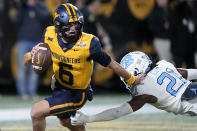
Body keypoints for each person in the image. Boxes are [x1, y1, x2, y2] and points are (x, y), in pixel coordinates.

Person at [23, 3, 145, 131]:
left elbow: (112, 64)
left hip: (77, 93)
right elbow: (26, 60)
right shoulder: (49, 34)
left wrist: (132, 80)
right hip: (59, 88)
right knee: (66, 122)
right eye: (68, 25)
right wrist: (32, 55)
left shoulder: (89, 43)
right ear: (58, 26)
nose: (73, 29)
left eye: (76, 24)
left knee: (36, 112)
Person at [70, 51, 197, 126]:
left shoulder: (142, 90)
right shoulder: (163, 64)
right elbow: (188, 73)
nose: (129, 81)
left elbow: (118, 111)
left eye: (129, 76)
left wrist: (88, 118)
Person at [15, 0, 51, 100]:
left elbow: (45, 18)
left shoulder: (41, 5)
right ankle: (23, 93)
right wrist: (22, 6)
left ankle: (32, 92)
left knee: (35, 68)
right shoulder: (23, 6)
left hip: (37, 41)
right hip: (23, 40)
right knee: (22, 67)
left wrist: (34, 6)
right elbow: (17, 20)